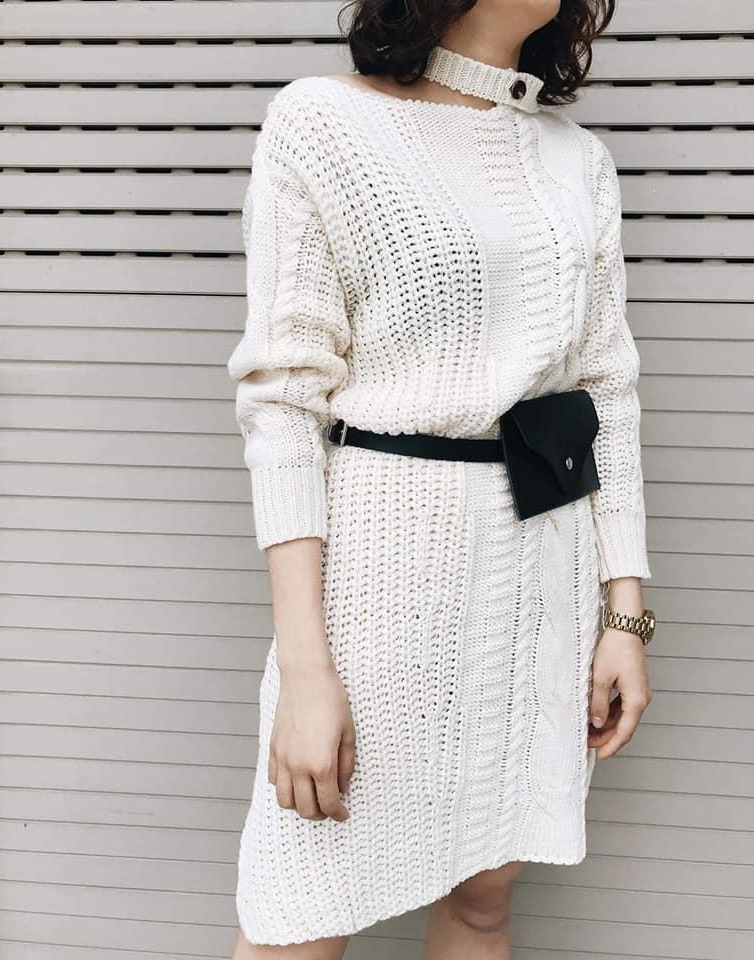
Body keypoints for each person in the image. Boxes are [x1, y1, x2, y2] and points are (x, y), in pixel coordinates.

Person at [227, 1, 656, 957]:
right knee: (300, 913)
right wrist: (304, 669)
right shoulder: (324, 121)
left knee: (482, 901)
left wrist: (622, 613)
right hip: (379, 586)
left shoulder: (576, 161)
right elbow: (284, 401)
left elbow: (606, 392)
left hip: (536, 582)